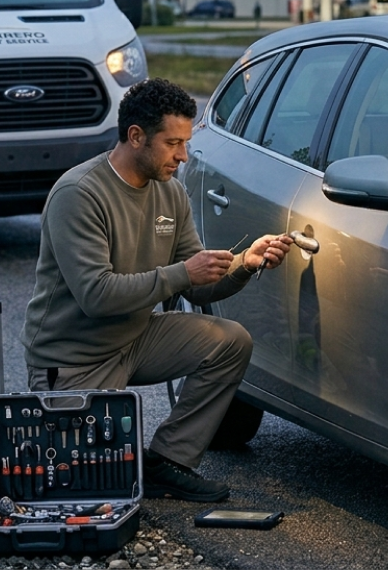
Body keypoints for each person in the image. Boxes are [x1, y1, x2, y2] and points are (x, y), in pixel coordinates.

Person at [21, 78, 292, 502]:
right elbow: (97, 296)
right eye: (172, 144)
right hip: (74, 359)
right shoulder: (79, 194)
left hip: (134, 338)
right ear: (136, 137)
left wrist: (243, 265)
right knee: (91, 489)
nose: (183, 156)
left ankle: (168, 463)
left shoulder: (171, 192)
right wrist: (184, 273)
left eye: (186, 142)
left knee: (229, 341)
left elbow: (198, 286)